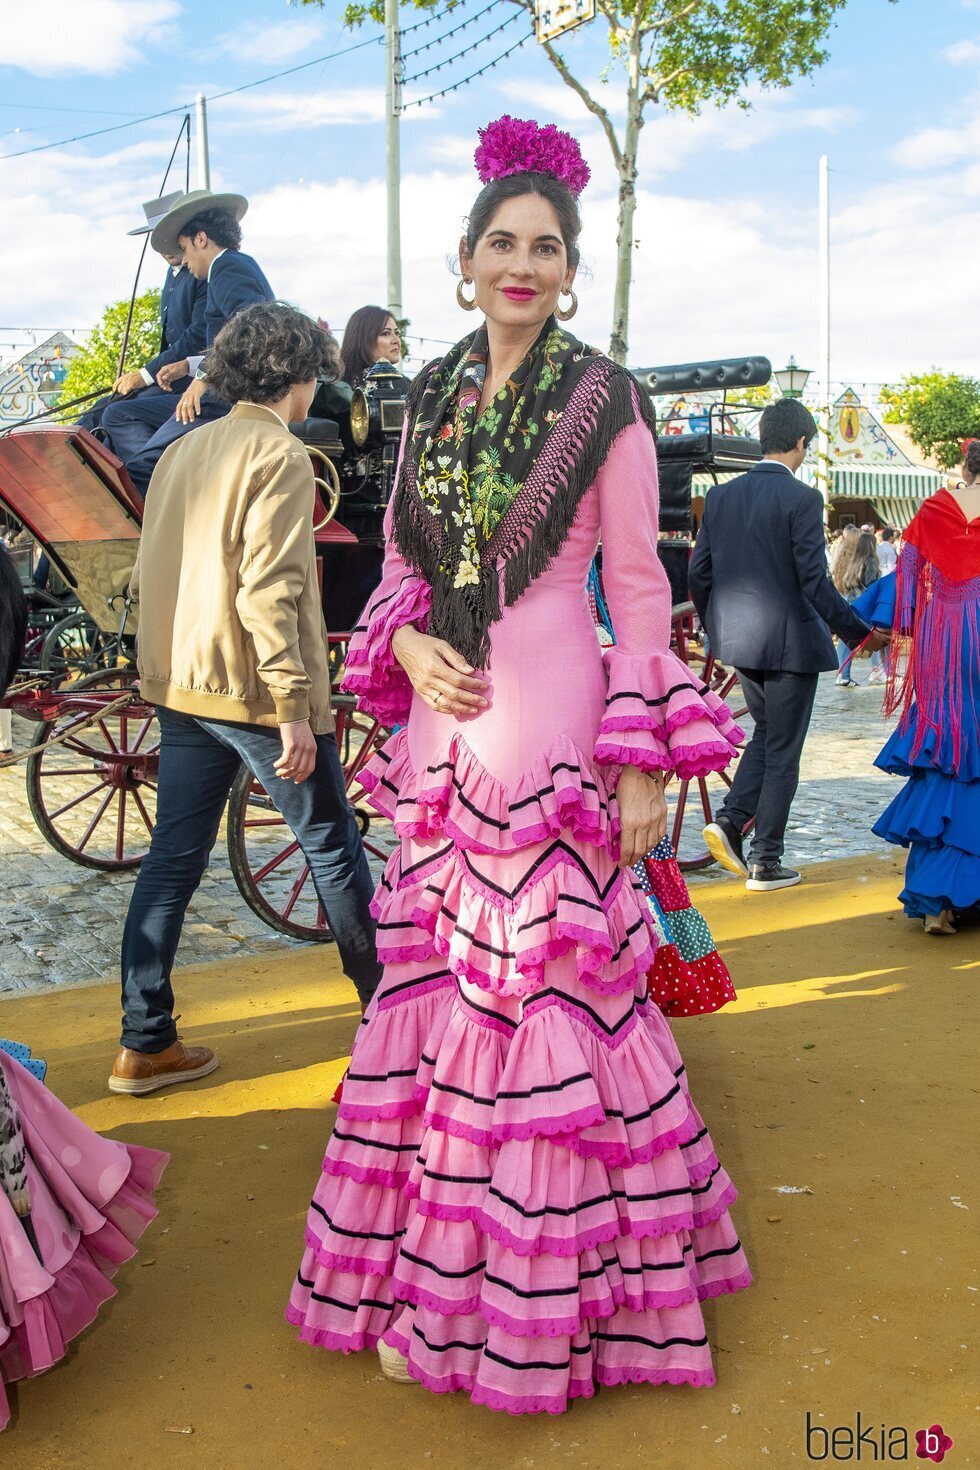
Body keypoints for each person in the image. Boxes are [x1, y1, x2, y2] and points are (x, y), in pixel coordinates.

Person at [287, 115, 751, 1413]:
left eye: (546, 245)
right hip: (448, 734)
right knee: (444, 1019)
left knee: (546, 1016)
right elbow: (400, 563)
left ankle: (537, 1317)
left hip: (554, 725)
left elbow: (641, 585)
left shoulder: (607, 400)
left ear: (568, 265)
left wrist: (646, 754)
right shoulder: (432, 396)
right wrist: (416, 653)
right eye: (502, 240)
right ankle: (439, 1283)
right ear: (465, 257)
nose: (522, 261)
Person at [110, 302, 382, 1096]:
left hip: (182, 683)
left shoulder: (181, 452)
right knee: (333, 849)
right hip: (257, 694)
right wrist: (295, 706)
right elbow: (272, 591)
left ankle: (144, 1041)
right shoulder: (282, 454)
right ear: (303, 377)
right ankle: (387, 1025)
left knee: (172, 861)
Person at [690, 398, 888, 892]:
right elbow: (815, 583)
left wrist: (718, 626)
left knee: (767, 735)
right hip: (790, 644)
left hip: (739, 641)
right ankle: (766, 860)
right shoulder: (802, 499)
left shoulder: (721, 498)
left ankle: (732, 822)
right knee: (784, 750)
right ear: (802, 443)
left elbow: (699, 573)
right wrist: (859, 633)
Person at [864, 440, 980, 935]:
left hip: (939, 637)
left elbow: (907, 576)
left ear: (964, 467)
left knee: (944, 749)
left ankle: (936, 902)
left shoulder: (933, 507)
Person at [101, 189, 273, 491]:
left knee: (143, 465)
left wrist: (202, 378)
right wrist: (189, 366)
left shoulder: (226, 267)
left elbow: (247, 326)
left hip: (226, 398)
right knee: (117, 412)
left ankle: (167, 510)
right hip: (220, 392)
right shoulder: (229, 266)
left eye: (185, 248)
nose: (185, 260)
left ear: (201, 239)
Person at [79, 193, 208, 435]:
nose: (167, 247)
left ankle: (140, 471)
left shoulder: (203, 273)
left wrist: (144, 375)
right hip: (169, 375)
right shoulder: (173, 275)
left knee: (119, 412)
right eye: (160, 239)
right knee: (99, 409)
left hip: (195, 376)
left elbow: (197, 337)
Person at [830, 529, 881, 687]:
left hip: (852, 601)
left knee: (848, 640)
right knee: (877, 635)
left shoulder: (855, 560)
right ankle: (876, 671)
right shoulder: (871, 560)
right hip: (865, 604)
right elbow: (872, 583)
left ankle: (843, 674)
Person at [340, 305, 403, 386]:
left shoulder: (405, 385)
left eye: (397, 333)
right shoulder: (335, 389)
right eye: (386, 333)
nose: (396, 340)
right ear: (362, 339)